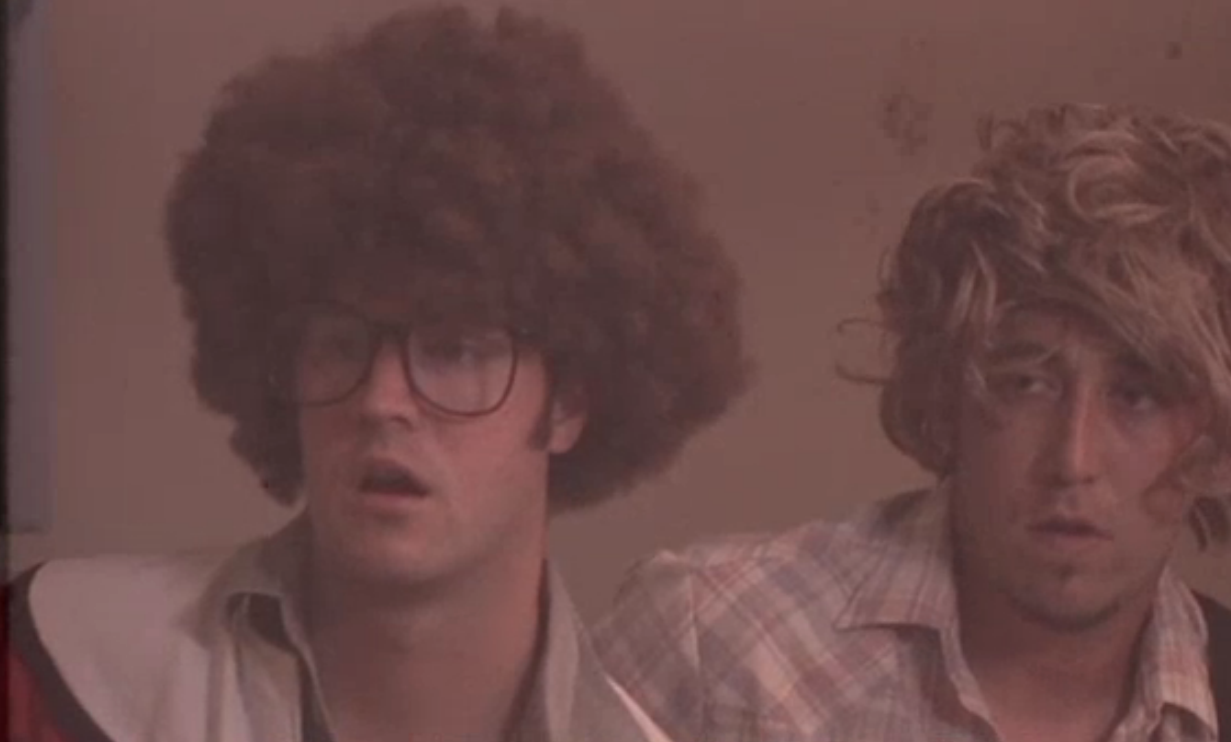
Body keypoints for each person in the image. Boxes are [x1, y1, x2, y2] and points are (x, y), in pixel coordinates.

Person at [5, 5, 748, 741]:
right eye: (338, 343)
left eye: (455, 350)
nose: (381, 399)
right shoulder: (56, 672)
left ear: (568, 404)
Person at [593, 103, 1231, 741]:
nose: (1073, 459)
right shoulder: (718, 649)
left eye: (1139, 396)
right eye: (1027, 383)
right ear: (951, 393)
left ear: (1223, 437)